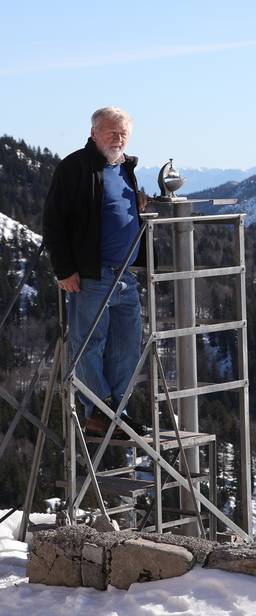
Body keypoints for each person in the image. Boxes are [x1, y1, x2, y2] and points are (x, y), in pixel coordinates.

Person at [43, 107, 149, 437]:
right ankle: (100, 411)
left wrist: (137, 203)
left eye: (123, 134)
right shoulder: (76, 167)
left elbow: (115, 205)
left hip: (125, 274)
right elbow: (54, 220)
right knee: (89, 343)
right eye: (111, 133)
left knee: (127, 345)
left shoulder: (124, 168)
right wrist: (64, 268)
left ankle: (112, 414)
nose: (118, 139)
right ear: (94, 133)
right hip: (92, 273)